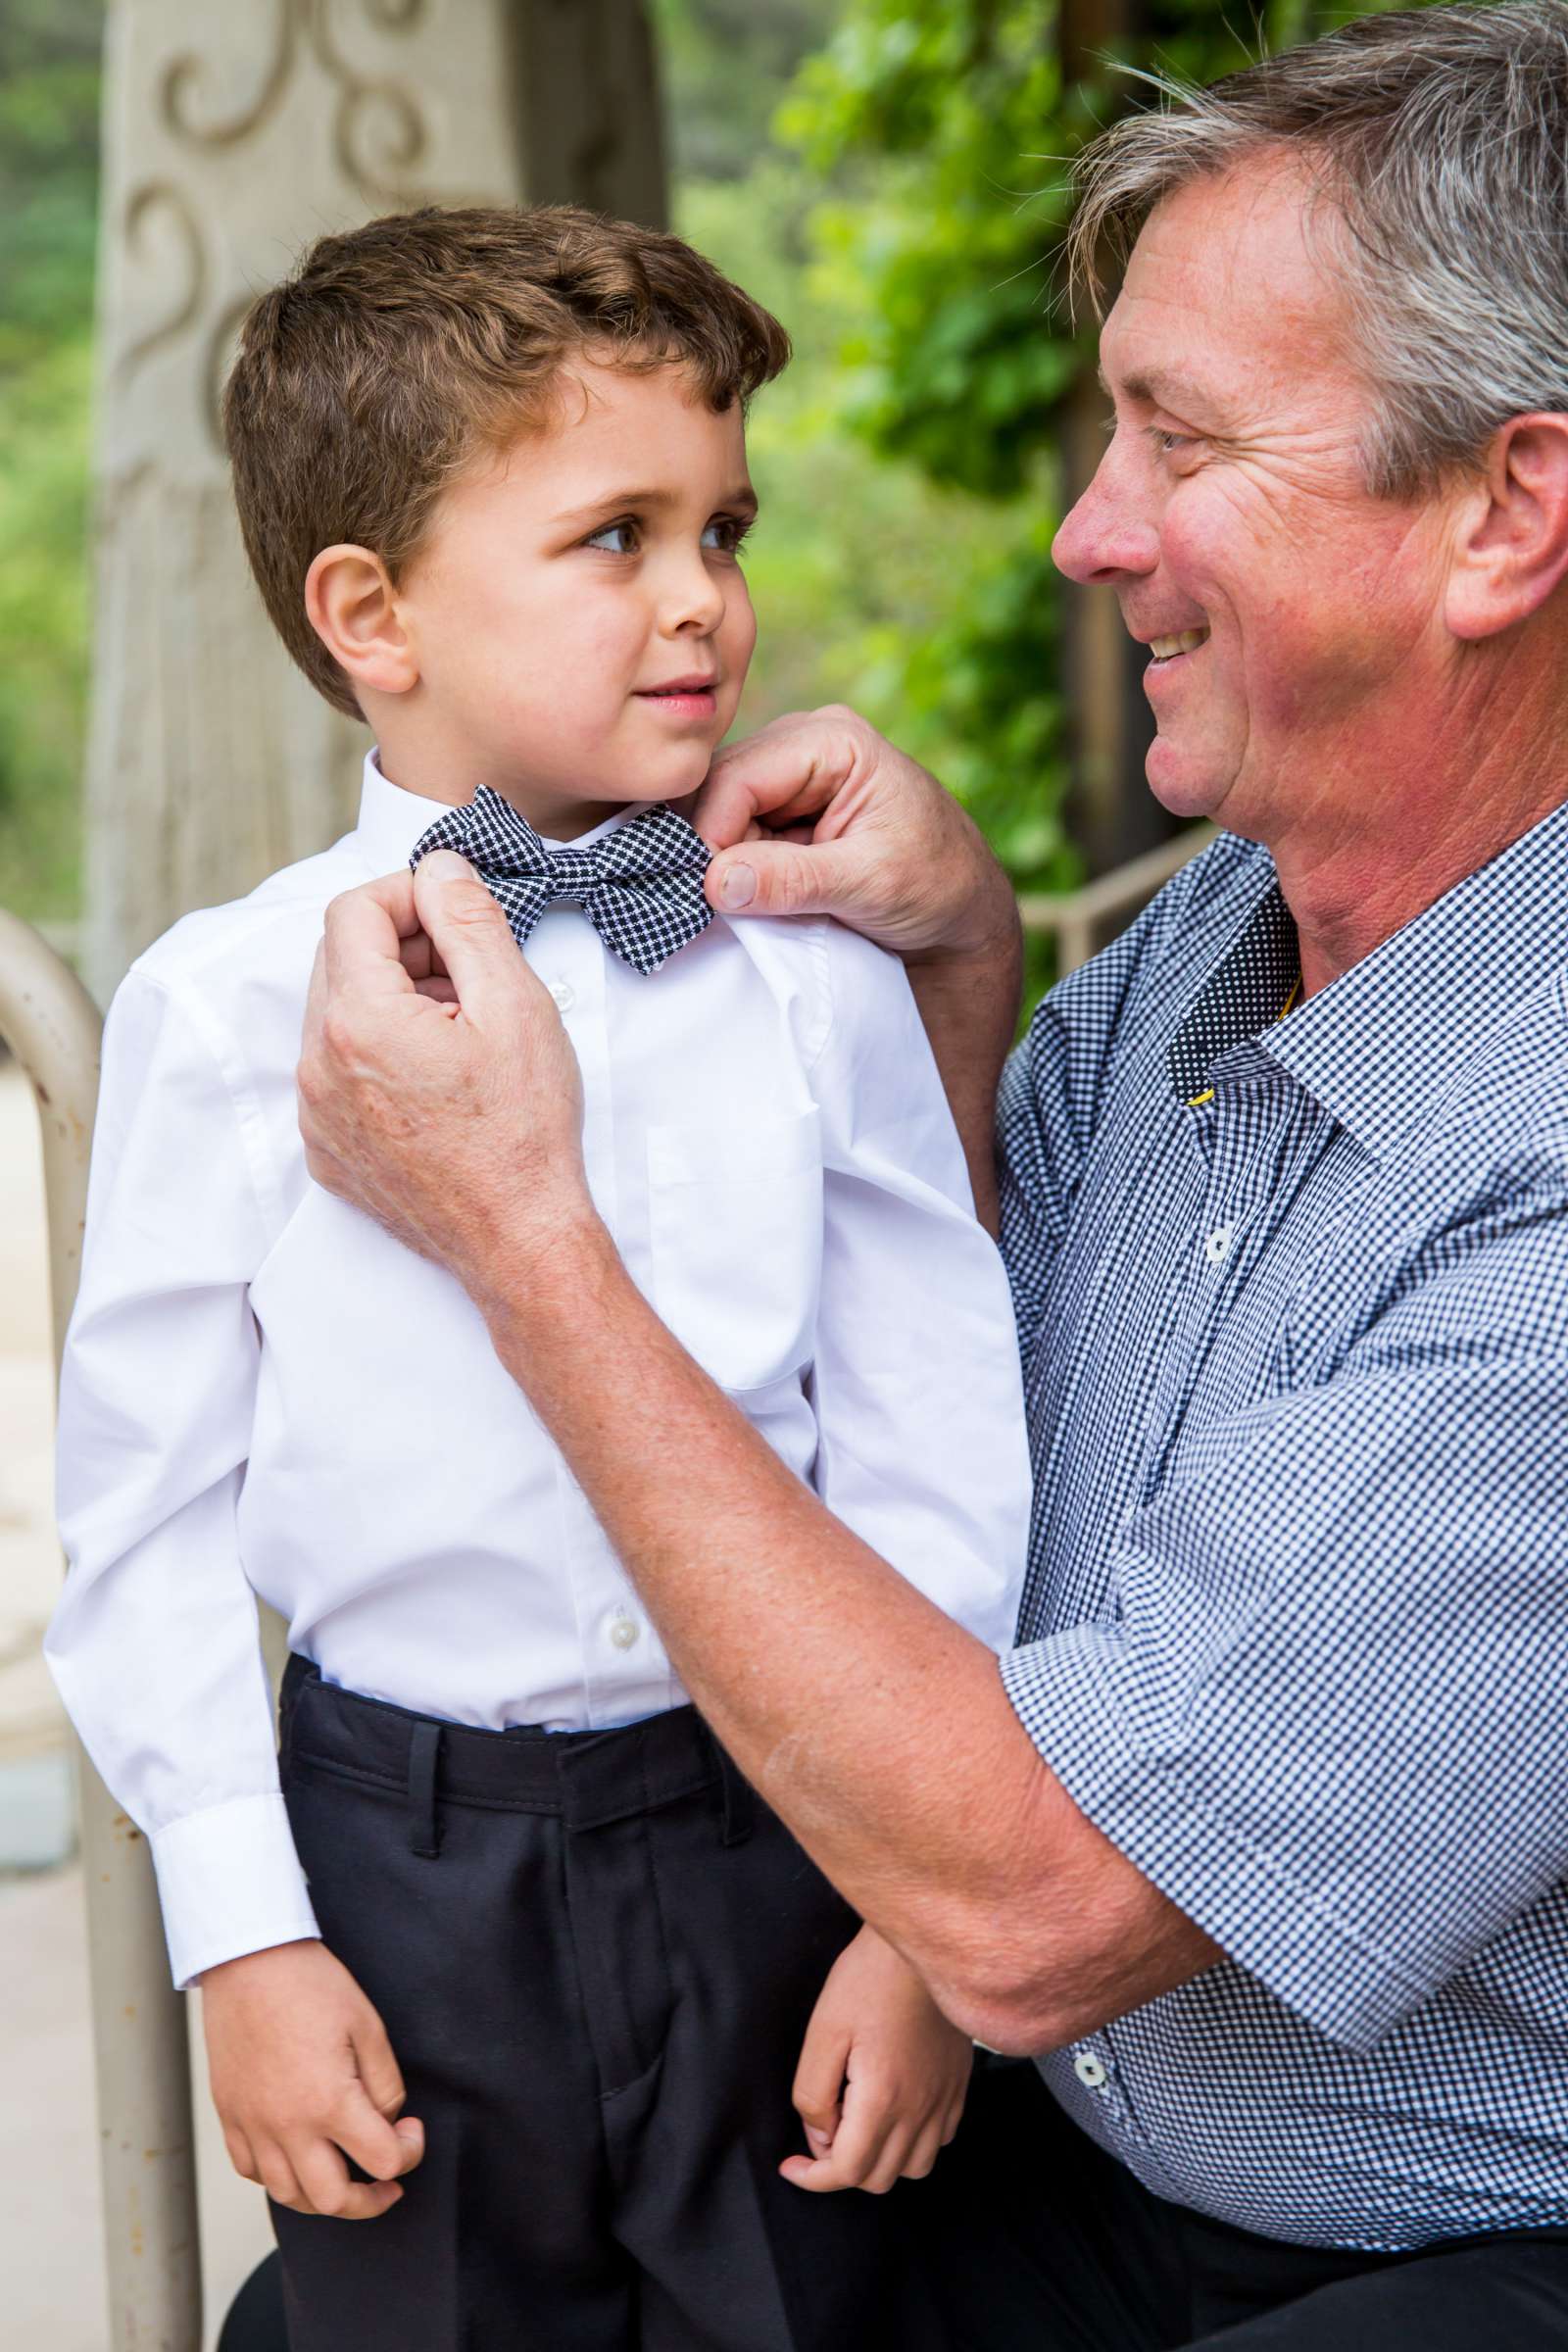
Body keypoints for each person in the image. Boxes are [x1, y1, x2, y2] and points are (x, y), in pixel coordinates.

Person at [292, 6, 1568, 2347]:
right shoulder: (1222, 920)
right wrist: (964, 982)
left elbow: (1044, 1897)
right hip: (1052, 2148)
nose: (1090, 531)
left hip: (1446, 2251)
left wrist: (524, 1250)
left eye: (1175, 439)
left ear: (1502, 513)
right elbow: (948, 1379)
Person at [45, 205, 1033, 2351]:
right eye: (614, 535)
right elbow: (140, 1516)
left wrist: (914, 1921)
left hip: (777, 1832)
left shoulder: (818, 979)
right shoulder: (222, 1011)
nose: (703, 597)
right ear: (369, 613)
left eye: (724, 526)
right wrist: (244, 1939)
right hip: (397, 1871)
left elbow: (938, 1446)